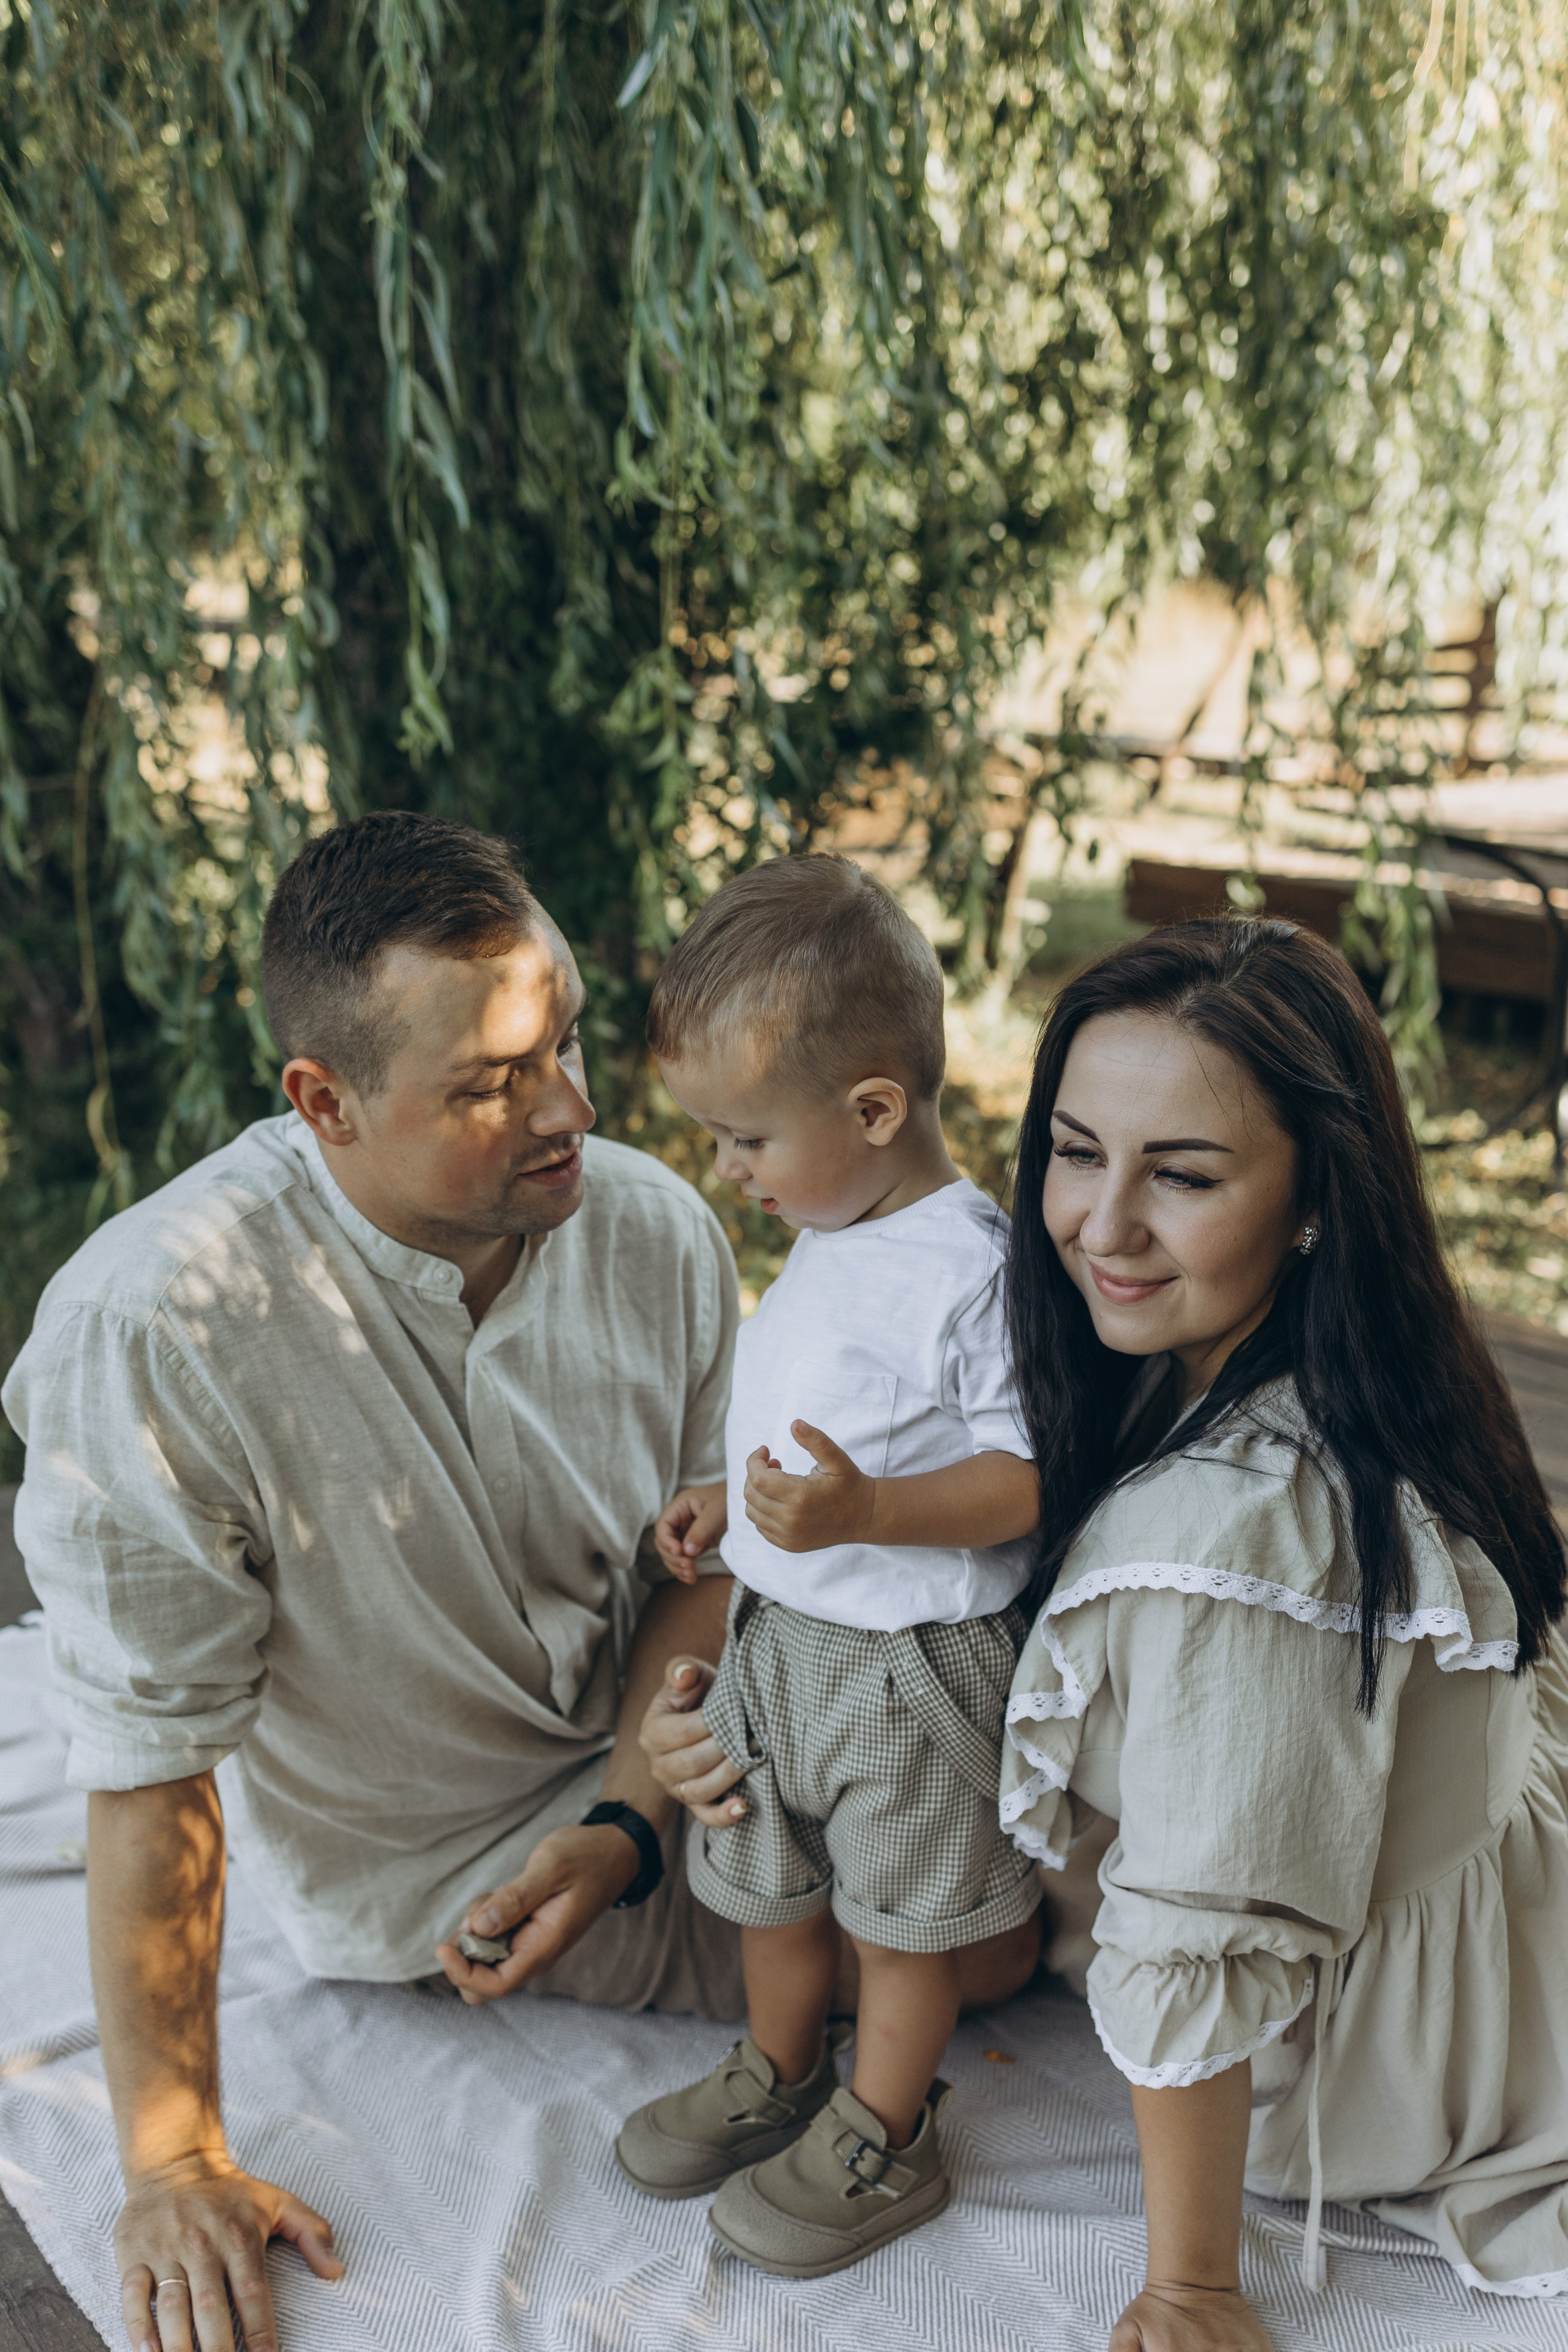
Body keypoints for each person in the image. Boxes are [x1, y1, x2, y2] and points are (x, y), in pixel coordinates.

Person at [2, 813, 1039, 2352]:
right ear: (323, 1101)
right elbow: (155, 1759)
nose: (569, 1110)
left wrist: (629, 1818)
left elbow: (703, 1571)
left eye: (560, 1040)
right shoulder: (152, 1326)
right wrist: (167, 2158)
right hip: (447, 1872)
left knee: (1023, 1826)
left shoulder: (656, 1228)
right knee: (1004, 1937)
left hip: (668, 1754)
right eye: (490, 1086)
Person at [995, 916, 1568, 2352]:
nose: (1103, 1225)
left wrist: (1190, 2281)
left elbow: (1203, 1923)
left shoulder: (1234, 1537)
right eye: (1074, 1151)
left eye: (1180, 1176)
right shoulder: (1356, 1355)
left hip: (1376, 2048)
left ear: (1315, 1196)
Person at [612, 854, 1044, 2277]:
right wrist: (726, 1507)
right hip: (780, 1645)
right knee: (765, 1886)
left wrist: (863, 1515)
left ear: (872, 1110)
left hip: (907, 1667)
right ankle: (777, 2071)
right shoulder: (831, 1220)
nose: (723, 1170)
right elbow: (824, 1419)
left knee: (902, 1926)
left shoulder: (965, 1266)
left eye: (742, 1139)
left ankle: (881, 2123)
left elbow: (1020, 1480)